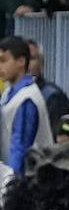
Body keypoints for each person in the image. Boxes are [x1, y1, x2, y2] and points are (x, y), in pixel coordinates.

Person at [0, 35, 51, 174]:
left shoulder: (27, 98)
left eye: (4, 60)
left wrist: (9, 185)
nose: (0, 66)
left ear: (21, 61)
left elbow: (20, 147)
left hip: (30, 182)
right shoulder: (8, 92)